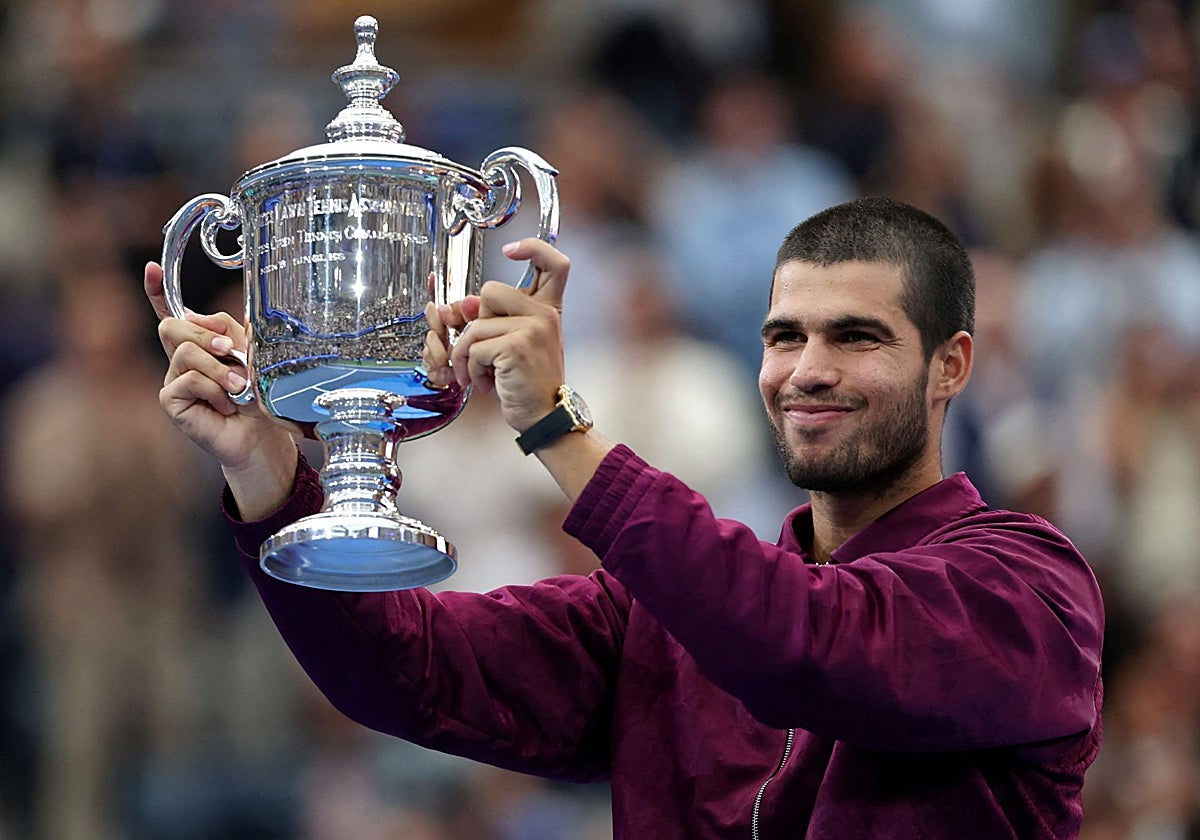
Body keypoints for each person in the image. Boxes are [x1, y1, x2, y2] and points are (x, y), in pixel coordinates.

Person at [146, 196, 1104, 838]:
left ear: (952, 365)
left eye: (857, 337)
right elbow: (403, 669)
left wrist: (558, 425)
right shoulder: (656, 619)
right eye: (784, 337)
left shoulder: (1028, 587)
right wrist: (276, 483)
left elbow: (804, 645)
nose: (808, 370)